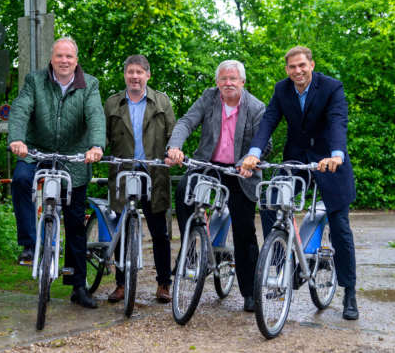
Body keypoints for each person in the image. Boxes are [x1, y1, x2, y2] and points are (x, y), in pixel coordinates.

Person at [242, 46, 358, 320]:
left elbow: (337, 121)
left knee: (340, 227)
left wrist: (336, 155)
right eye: (292, 67)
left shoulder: (331, 87)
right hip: (296, 161)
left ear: (311, 64)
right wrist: (253, 153)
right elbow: (269, 121)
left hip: (329, 161)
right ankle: (285, 266)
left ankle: (350, 293)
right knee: (270, 202)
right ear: (287, 69)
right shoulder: (282, 90)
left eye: (302, 65)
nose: (297, 71)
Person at [8, 37, 106, 309]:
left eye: (69, 57)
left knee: (75, 222)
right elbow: (21, 108)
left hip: (74, 156)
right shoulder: (34, 80)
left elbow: (95, 115)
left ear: (76, 61)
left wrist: (96, 145)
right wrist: (17, 138)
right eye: (59, 56)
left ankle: (77, 287)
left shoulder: (90, 84)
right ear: (51, 59)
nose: (64, 61)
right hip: (36, 151)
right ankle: (29, 243)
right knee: (21, 180)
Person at [167, 60, 272, 312]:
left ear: (242, 82)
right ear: (217, 82)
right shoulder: (209, 97)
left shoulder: (257, 107)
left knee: (244, 229)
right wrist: (175, 146)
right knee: (183, 192)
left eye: (233, 79)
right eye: (223, 79)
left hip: (240, 171)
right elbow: (186, 122)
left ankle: (249, 292)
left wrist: (252, 160)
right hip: (208, 166)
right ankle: (191, 251)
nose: (228, 83)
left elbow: (264, 142)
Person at [104, 55, 176, 303]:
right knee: (123, 229)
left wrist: (172, 152)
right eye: (130, 72)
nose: (134, 76)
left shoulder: (162, 102)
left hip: (153, 171)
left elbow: (173, 135)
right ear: (125, 74)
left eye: (139, 72)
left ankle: (164, 284)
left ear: (148, 75)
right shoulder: (113, 103)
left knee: (159, 231)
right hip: (122, 170)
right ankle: (122, 284)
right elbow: (102, 136)